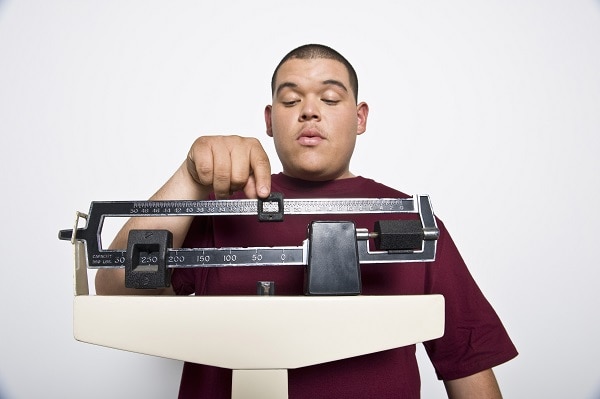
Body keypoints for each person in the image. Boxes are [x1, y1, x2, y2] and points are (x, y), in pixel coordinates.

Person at [96, 44, 518, 398]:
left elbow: (468, 360)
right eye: (291, 100)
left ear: (360, 117)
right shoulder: (218, 208)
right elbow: (116, 289)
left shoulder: (409, 221)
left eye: (330, 99)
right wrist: (189, 177)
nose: (309, 112)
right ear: (269, 119)